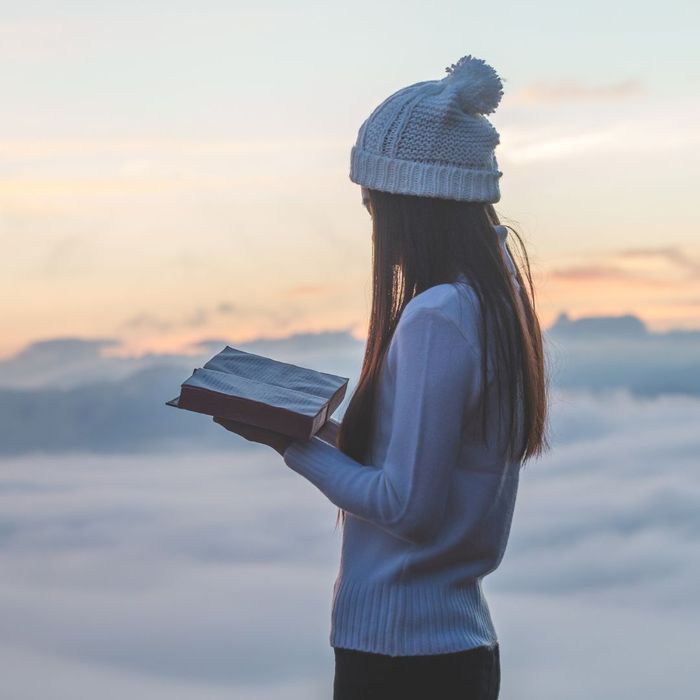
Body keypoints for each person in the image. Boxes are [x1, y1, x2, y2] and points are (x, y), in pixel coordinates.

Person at [214, 53, 550, 700]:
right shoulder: (497, 297)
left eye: (373, 201)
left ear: (410, 202)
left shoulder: (438, 318)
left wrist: (290, 444)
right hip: (453, 649)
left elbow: (408, 507)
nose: (371, 216)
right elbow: (429, 464)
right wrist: (328, 430)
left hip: (403, 660)